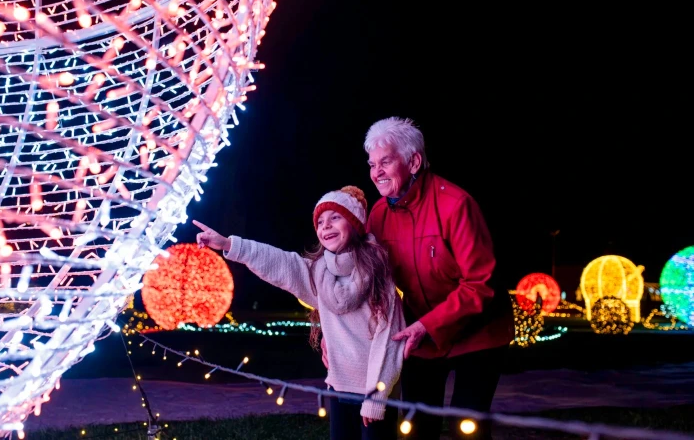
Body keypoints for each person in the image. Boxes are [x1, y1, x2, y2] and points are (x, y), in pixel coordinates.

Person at [193, 185, 405, 440]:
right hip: (339, 388)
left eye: (335, 217)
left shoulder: (379, 274)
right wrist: (228, 244)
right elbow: (277, 261)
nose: (325, 226)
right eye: (320, 221)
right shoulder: (318, 274)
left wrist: (375, 397)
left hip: (377, 393)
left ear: (355, 223)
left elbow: (390, 339)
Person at [363, 117, 515, 440]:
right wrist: (331, 334)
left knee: (467, 428)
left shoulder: (455, 204)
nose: (376, 172)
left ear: (414, 161)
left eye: (385, 161)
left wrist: (425, 325)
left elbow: (480, 284)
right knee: (416, 427)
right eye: (372, 163)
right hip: (422, 335)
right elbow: (363, 280)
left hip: (480, 331)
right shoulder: (377, 215)